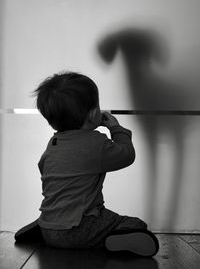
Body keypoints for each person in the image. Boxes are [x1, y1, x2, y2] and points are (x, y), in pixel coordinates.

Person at [33, 71, 159, 257]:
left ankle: (42, 230)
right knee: (134, 225)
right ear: (93, 114)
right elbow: (126, 155)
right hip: (80, 227)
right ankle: (109, 241)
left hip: (49, 226)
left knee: (59, 219)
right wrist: (116, 129)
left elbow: (42, 167)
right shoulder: (95, 143)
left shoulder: (53, 145)